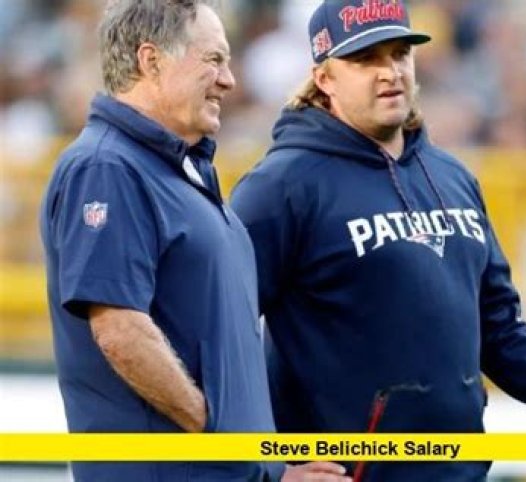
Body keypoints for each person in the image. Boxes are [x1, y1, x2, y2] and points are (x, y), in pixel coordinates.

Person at [229, 0, 526, 480]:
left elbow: (500, 334)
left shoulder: (452, 176)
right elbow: (217, 341)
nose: (390, 72)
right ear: (324, 78)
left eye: (400, 53)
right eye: (366, 59)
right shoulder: (281, 186)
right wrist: (273, 468)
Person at [39, 1, 351, 481]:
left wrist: (267, 468)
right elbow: (120, 330)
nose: (229, 80)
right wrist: (227, 445)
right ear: (151, 60)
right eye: (214, 60)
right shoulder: (107, 167)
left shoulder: (176, 171)